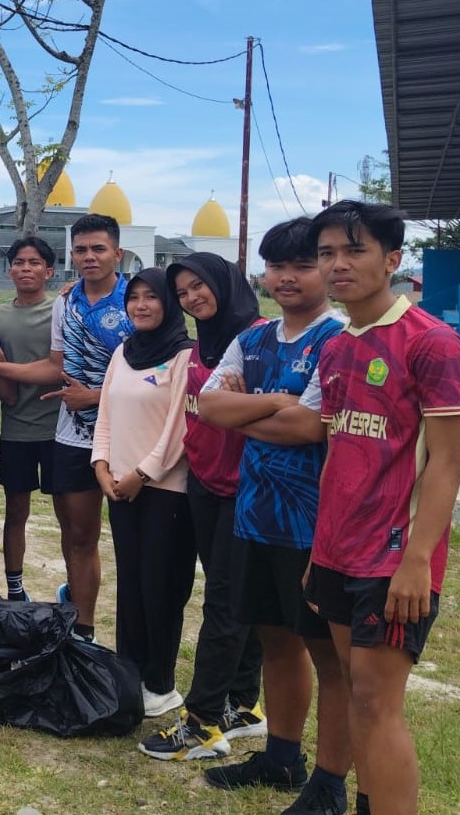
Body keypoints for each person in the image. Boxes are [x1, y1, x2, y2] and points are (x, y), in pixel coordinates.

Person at [307, 200, 460, 815]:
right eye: (328, 253)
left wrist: (418, 562)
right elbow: (337, 453)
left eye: (355, 251)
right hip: (336, 551)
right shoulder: (336, 347)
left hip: (395, 558)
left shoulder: (433, 343)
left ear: (393, 259)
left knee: (379, 703)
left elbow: (448, 463)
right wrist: (318, 548)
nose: (338, 264)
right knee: (356, 691)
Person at [199, 218, 352, 815]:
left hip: (315, 525)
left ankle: (330, 781)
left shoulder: (336, 341)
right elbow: (208, 406)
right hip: (254, 513)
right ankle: (282, 756)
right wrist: (272, 404)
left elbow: (310, 425)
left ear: (324, 269)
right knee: (275, 639)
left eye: (302, 264)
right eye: (275, 266)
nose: (286, 277)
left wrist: (242, 412)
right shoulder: (255, 337)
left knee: (327, 655)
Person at [142, 253, 267, 761]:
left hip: (247, 490)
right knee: (238, 601)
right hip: (205, 484)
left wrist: (250, 404)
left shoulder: (260, 339)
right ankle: (243, 705)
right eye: (184, 291)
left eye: (200, 286)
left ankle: (203, 722)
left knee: (225, 602)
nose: (193, 298)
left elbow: (283, 409)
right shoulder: (201, 347)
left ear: (225, 283)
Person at [91, 268, 196, 718]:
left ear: (169, 303)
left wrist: (142, 473)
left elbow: (180, 428)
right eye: (133, 297)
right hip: (118, 487)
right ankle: (128, 672)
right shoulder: (123, 351)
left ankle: (161, 682)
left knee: (161, 585)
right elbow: (106, 413)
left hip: (165, 491)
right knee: (130, 582)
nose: (141, 305)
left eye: (152, 297)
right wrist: (101, 465)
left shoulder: (185, 355)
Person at [40, 212, 133, 642]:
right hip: (73, 434)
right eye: (81, 249)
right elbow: (57, 364)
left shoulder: (141, 300)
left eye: (99, 248)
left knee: (136, 544)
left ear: (118, 252)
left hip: (131, 435)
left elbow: (158, 375)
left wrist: (95, 397)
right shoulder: (65, 302)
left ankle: (139, 641)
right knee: (78, 535)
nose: (89, 256)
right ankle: (83, 629)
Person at [0, 237, 62, 601]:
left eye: (35, 262)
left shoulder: (61, 310)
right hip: (18, 429)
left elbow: (58, 369)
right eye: (19, 262)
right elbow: (0, 383)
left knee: (68, 518)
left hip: (60, 430)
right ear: (9, 270)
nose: (26, 268)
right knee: (16, 512)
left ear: (49, 271)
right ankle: (15, 587)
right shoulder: (0, 316)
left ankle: (71, 588)